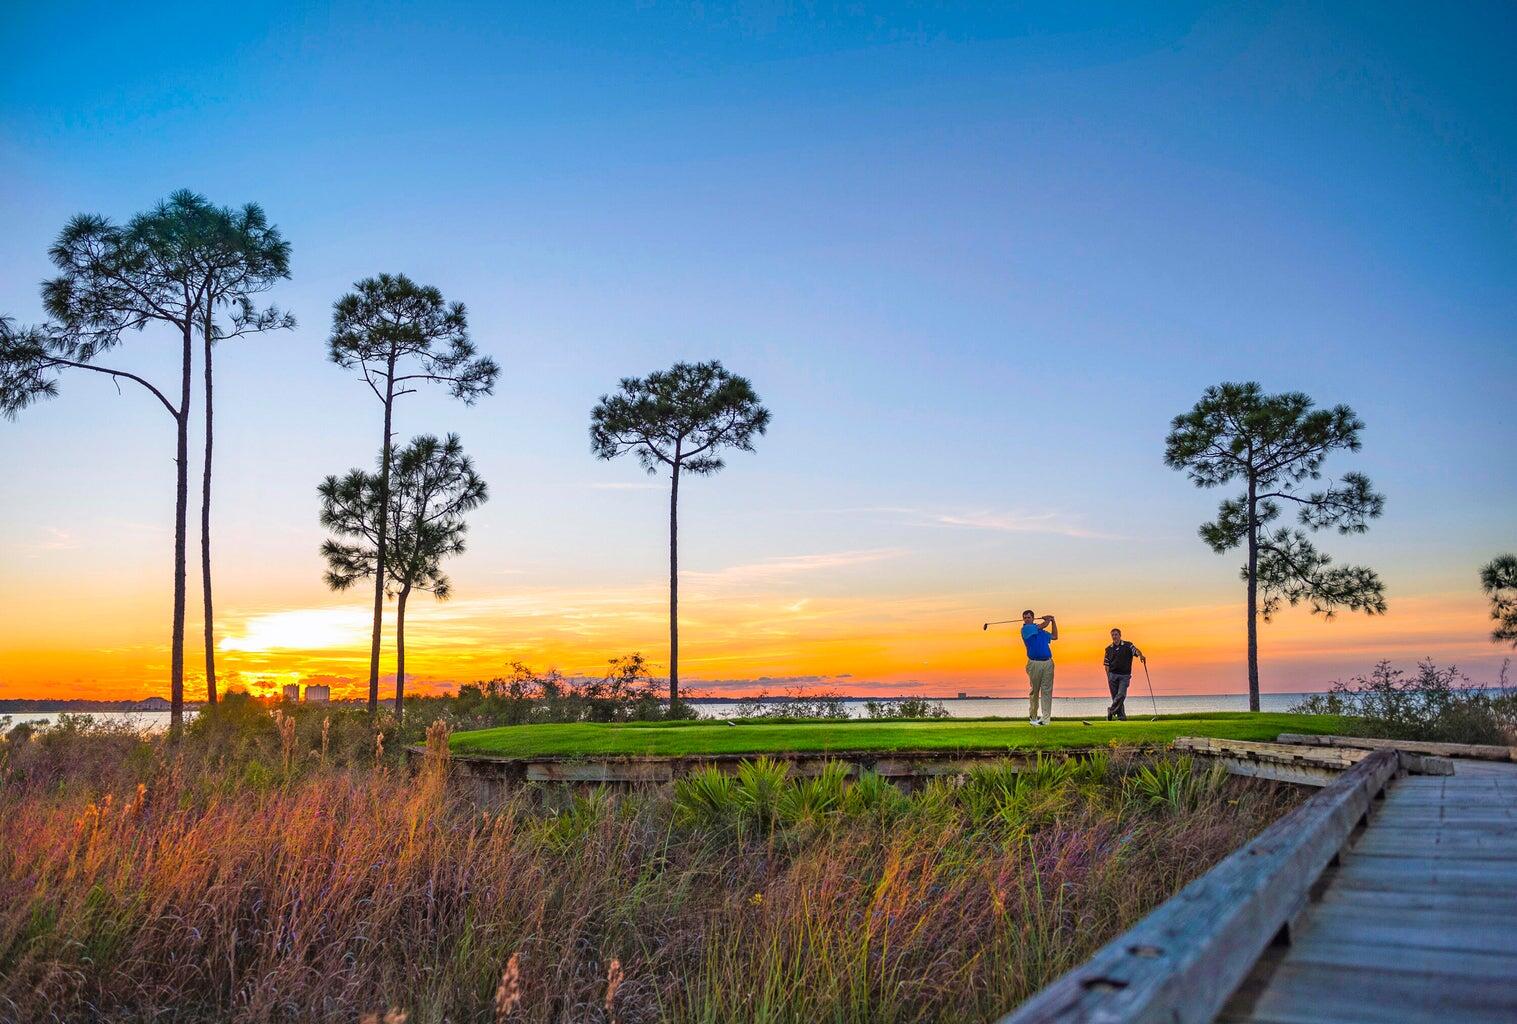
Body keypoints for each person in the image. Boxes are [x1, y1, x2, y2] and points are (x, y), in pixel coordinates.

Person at [1021, 609, 1057, 725]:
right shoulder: (1026, 629)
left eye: (1029, 617)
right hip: (1034, 663)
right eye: (1025, 618)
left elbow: (1055, 636)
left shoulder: (1041, 631)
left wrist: (1053, 621)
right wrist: (1048, 620)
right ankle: (1033, 717)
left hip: (1047, 662)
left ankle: (1045, 720)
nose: (1027, 619)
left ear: (1033, 618)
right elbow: (1043, 625)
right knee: (1034, 691)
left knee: (1047, 691)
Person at [1103, 628, 1145, 721]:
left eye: (1116, 634)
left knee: (1121, 694)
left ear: (1120, 635)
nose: (1114, 636)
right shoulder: (1108, 649)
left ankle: (1111, 710)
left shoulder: (1128, 645)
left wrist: (1141, 655)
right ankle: (1122, 717)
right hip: (1112, 676)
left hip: (1124, 675)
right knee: (1116, 698)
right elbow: (1106, 665)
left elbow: (1136, 651)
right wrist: (1108, 677)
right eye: (1112, 635)